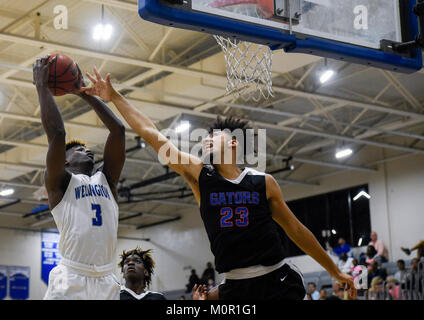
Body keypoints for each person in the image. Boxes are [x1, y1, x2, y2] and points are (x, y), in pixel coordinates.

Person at [81, 72, 357, 300]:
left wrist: (334, 271)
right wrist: (115, 97)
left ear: (234, 142)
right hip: (235, 287)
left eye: (216, 135)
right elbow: (152, 134)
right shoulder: (201, 177)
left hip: (278, 280)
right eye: (207, 136)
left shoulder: (263, 183)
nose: (208, 139)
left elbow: (296, 230)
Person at [34, 58, 126, 300]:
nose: (88, 151)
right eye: (78, 150)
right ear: (65, 161)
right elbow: (57, 133)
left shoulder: (107, 180)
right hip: (72, 276)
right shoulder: (60, 184)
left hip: (107, 278)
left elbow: (118, 131)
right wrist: (41, 87)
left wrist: (84, 93)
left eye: (87, 149)